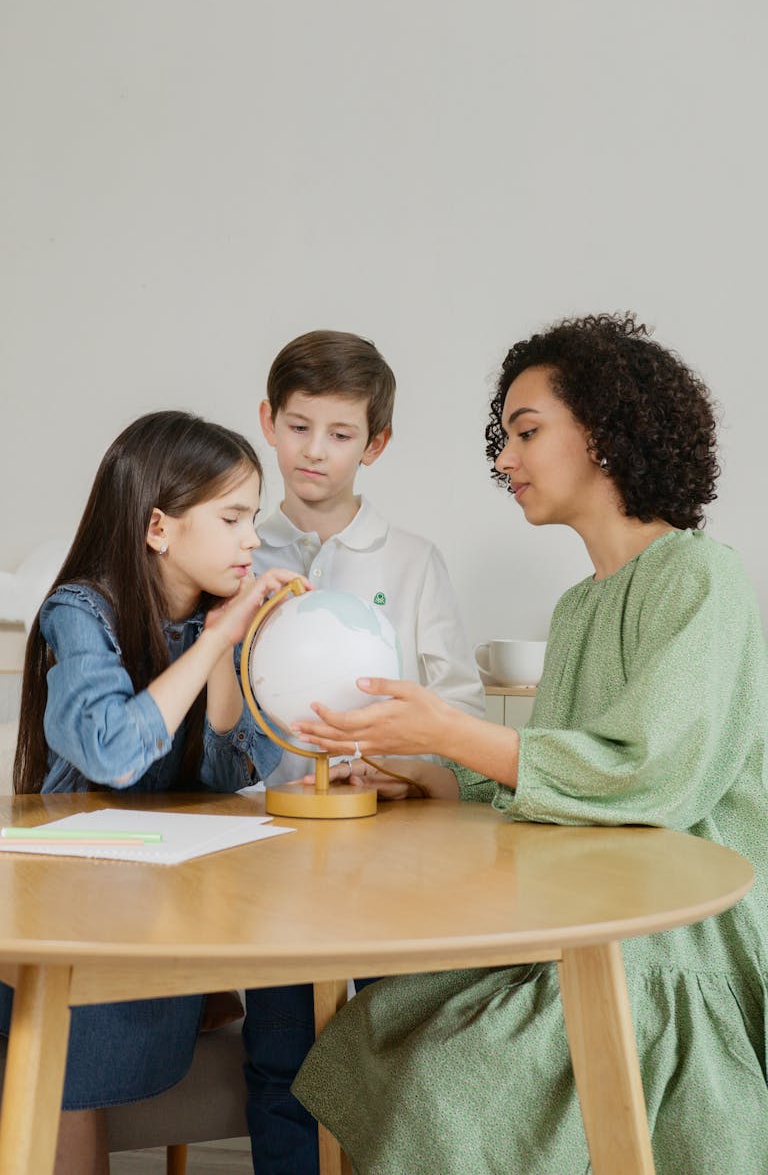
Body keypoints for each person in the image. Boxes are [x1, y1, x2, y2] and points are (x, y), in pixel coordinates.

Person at [291, 314, 768, 1175]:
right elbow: (555, 771)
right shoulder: (580, 607)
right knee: (378, 1021)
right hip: (583, 912)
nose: (504, 459)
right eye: (503, 437)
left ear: (607, 433)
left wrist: (450, 730)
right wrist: (429, 773)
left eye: (527, 431)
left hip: (671, 934)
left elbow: (653, 776)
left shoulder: (703, 578)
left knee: (448, 1081)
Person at [3, 410, 306, 1175]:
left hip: (155, 897)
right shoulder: (82, 611)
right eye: (233, 517)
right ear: (159, 528)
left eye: (253, 519)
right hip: (68, 907)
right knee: (71, 1064)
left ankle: (205, 995)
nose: (251, 539)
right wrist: (213, 642)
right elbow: (112, 751)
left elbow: (232, 772)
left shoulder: (212, 619)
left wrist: (236, 653)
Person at [243, 329, 486, 1174]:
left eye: (341, 434)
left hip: (391, 857)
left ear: (375, 443)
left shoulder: (414, 562)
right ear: (268, 421)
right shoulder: (235, 553)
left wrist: (399, 768)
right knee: (281, 1052)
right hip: (270, 854)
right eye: (300, 425)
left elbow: (454, 709)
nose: (316, 451)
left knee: (393, 1042)